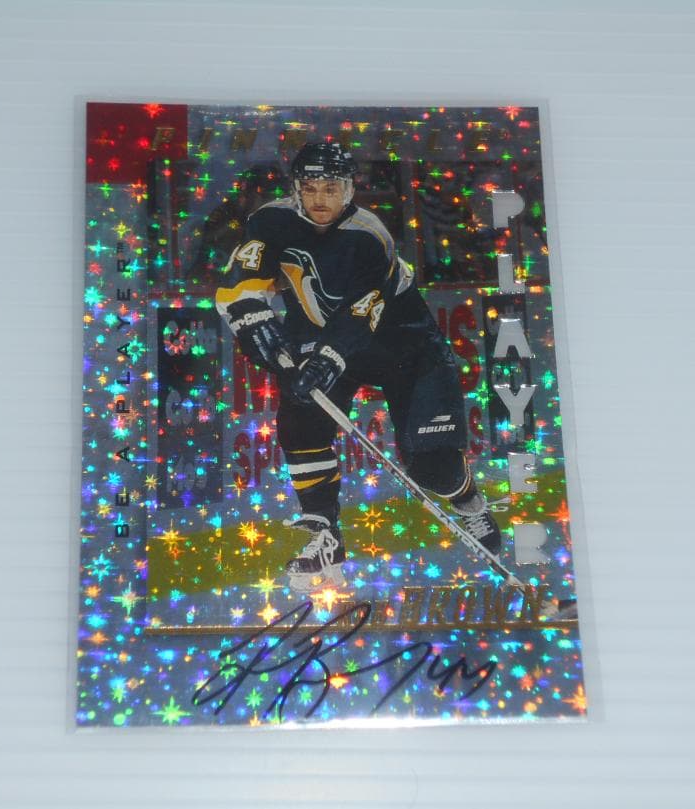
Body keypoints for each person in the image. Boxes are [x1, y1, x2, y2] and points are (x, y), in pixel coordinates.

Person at [215, 142, 503, 592]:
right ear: (296, 188)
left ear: (349, 190)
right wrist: (250, 322)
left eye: (331, 188)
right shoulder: (269, 221)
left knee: (434, 470)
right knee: (301, 419)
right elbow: (240, 282)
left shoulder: (370, 236)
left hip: (405, 349)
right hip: (322, 337)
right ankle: (325, 533)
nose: (320, 199)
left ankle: (468, 500)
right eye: (310, 188)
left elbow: (361, 314)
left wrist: (326, 359)